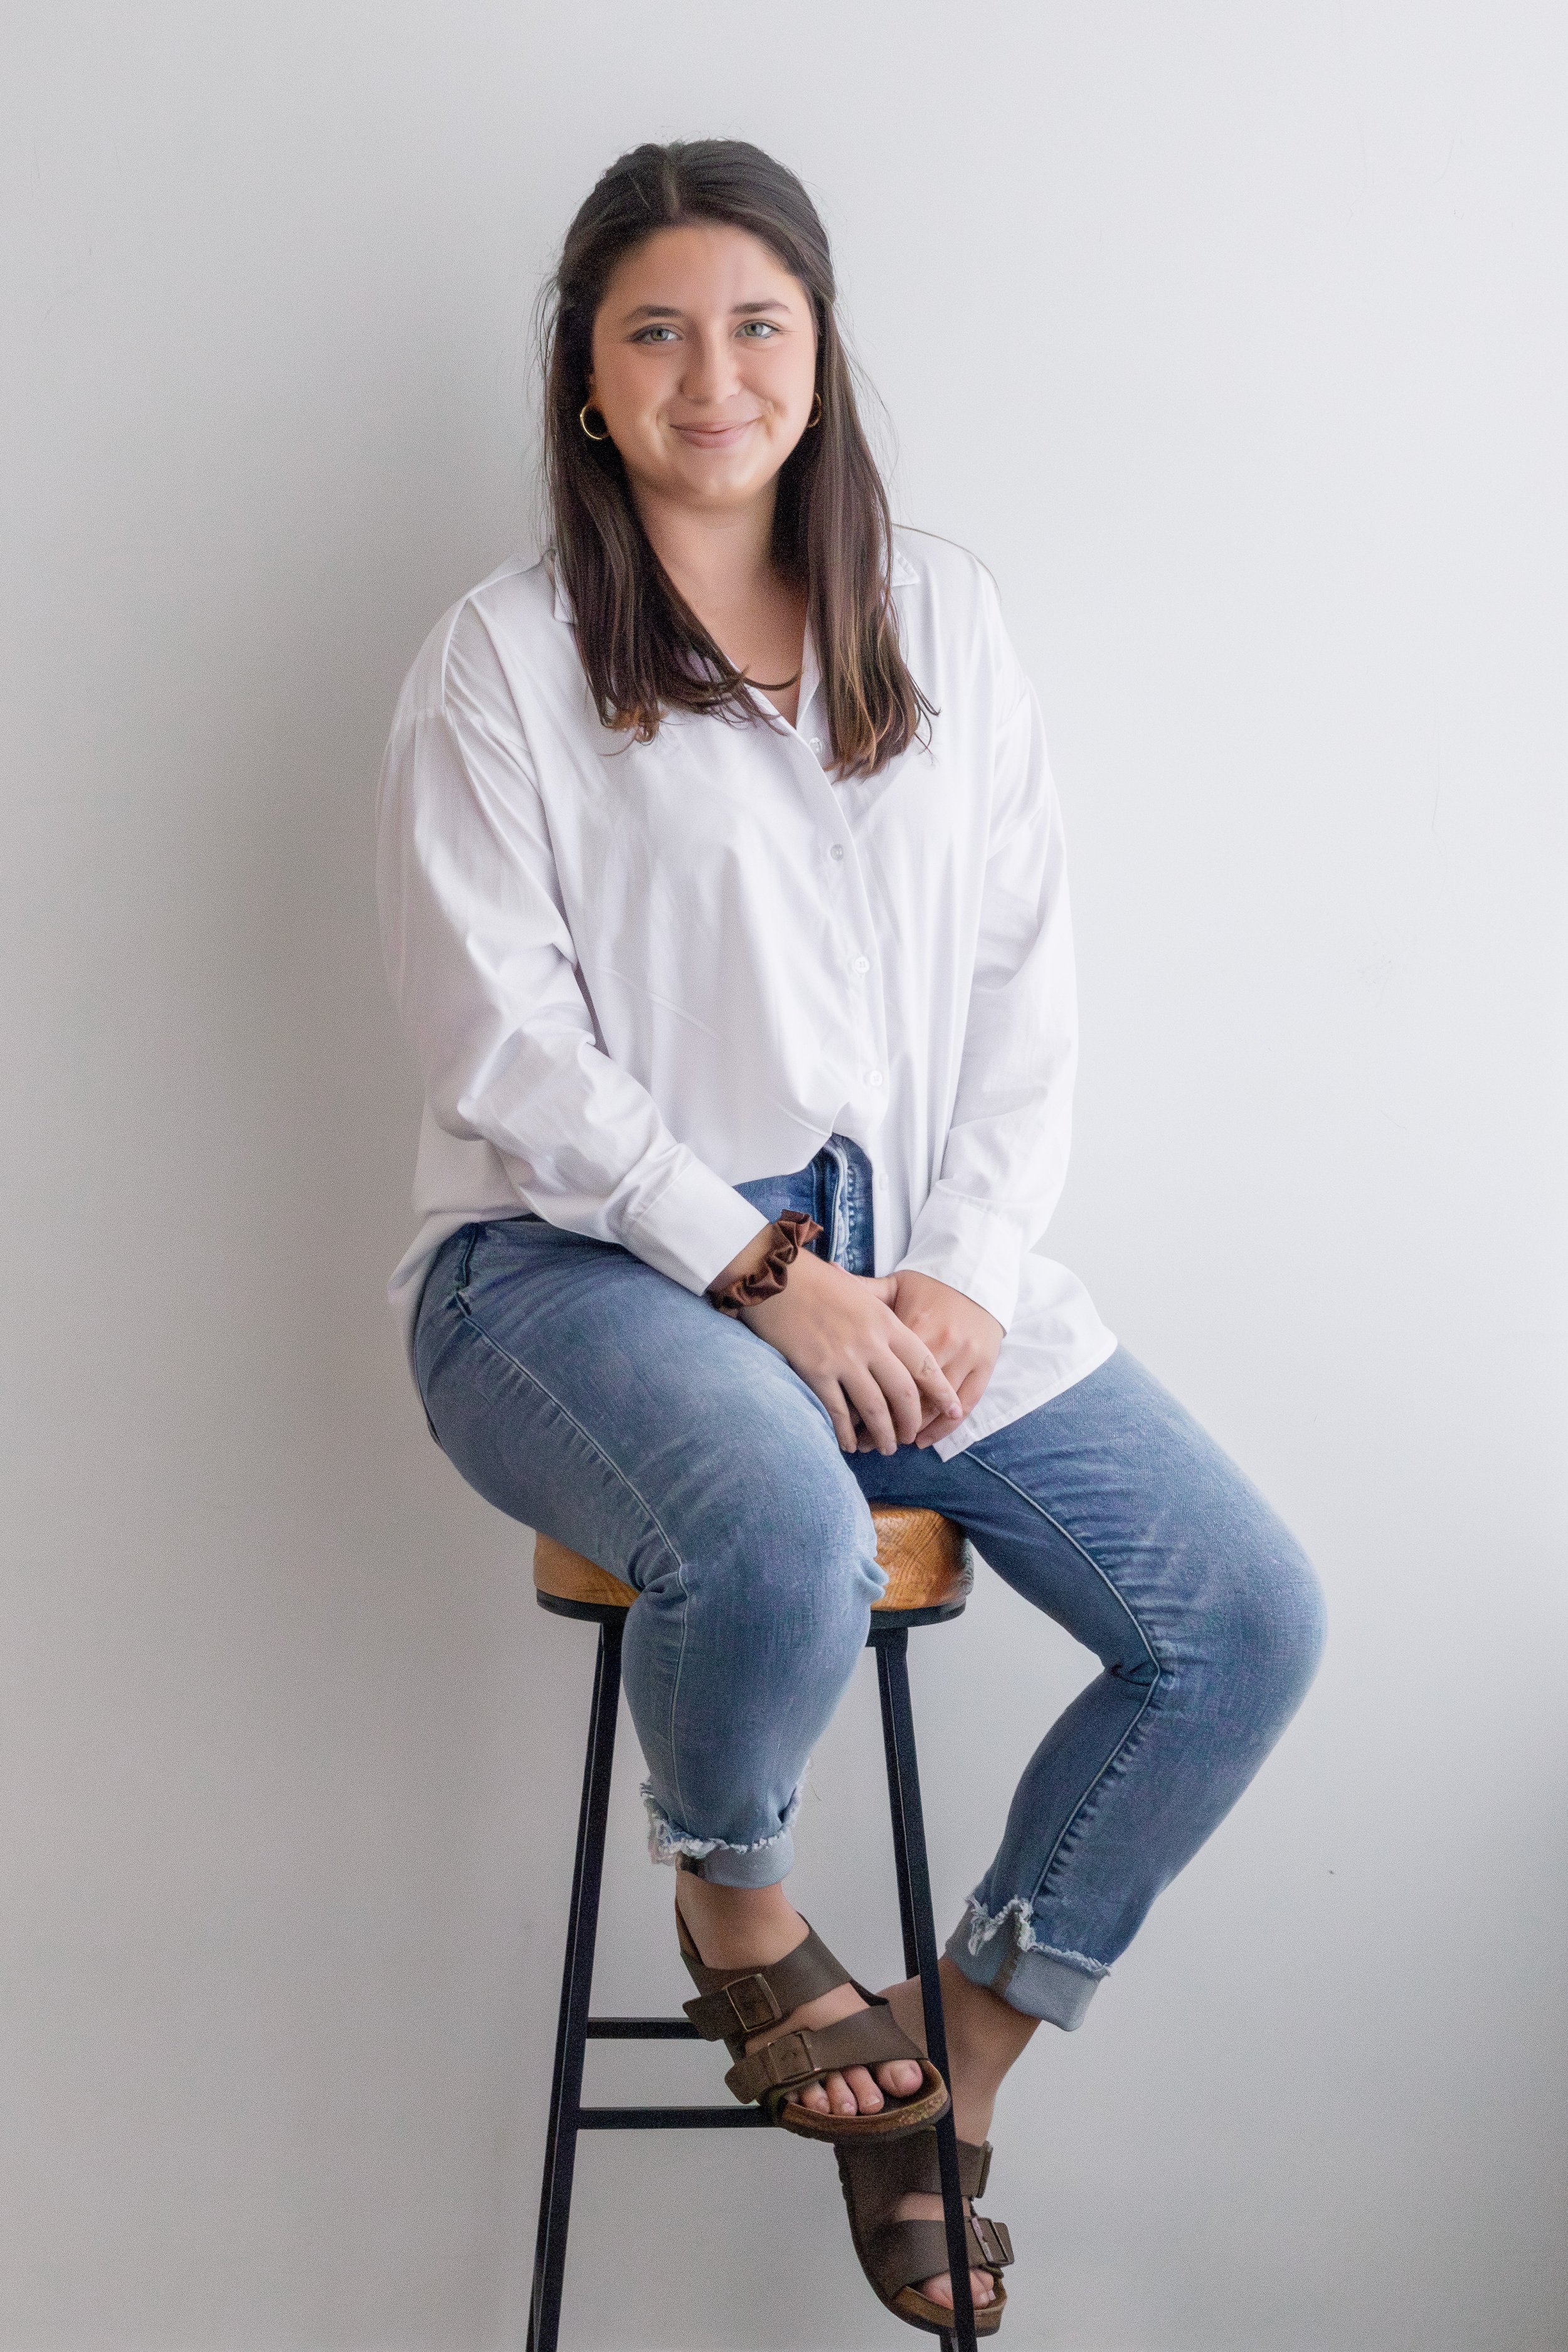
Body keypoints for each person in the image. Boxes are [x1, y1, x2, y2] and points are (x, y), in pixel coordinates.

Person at [376, 138, 1325, 2336]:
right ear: (586, 381)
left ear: (818, 351)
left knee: (1244, 1621)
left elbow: (1024, 987)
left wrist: (960, 1274)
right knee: (786, 1533)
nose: (713, 374)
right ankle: (730, 1902)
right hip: (568, 1279)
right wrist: (762, 1275)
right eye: (654, 329)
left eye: (757, 323)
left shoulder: (946, 619)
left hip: (909, 1281)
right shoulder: (504, 663)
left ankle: (954, 2072)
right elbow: (501, 1049)